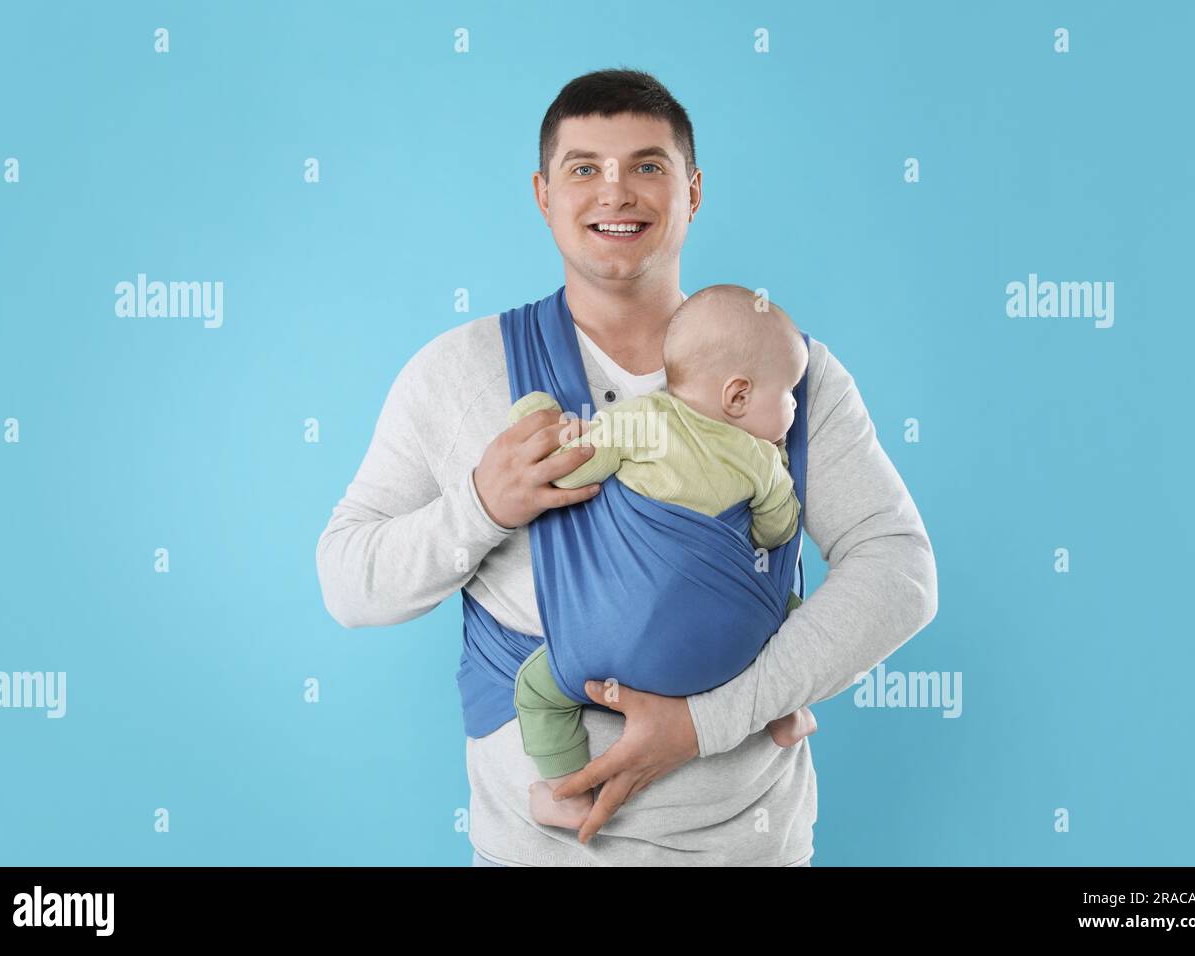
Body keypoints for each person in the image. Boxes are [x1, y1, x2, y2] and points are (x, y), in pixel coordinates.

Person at [315, 68, 938, 866]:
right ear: (543, 193)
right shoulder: (455, 373)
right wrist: (479, 507)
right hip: (535, 853)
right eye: (585, 169)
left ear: (694, 191)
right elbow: (346, 582)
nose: (617, 193)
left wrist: (722, 714)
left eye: (648, 166)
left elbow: (901, 569)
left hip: (749, 848)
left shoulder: (787, 372)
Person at [509, 285, 818, 829]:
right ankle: (785, 712)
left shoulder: (642, 419)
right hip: (729, 654)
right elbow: (777, 530)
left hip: (607, 655)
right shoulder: (762, 460)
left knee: (536, 691)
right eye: (788, 393)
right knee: (787, 610)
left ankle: (566, 794)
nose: (795, 405)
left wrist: (539, 416)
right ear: (738, 397)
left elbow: (572, 468)